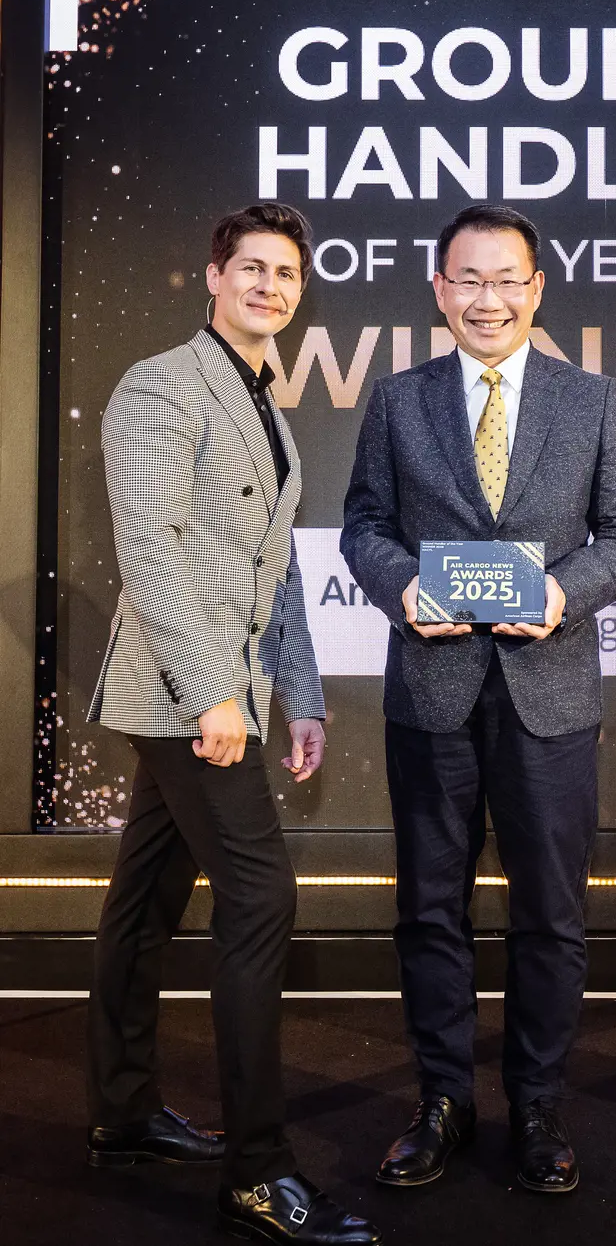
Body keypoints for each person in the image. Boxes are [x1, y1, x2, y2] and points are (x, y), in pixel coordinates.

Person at [341, 203, 616, 1194]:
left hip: (549, 691)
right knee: (430, 909)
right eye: (467, 279)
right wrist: (402, 587)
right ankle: (440, 1098)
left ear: (536, 287)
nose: (488, 297)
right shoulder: (397, 399)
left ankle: (536, 1102)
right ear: (439, 289)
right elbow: (363, 526)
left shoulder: (591, 400)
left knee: (551, 915)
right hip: (430, 694)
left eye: (506, 278)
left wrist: (565, 590)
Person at [85, 203, 380, 1245]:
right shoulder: (165, 383)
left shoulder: (264, 401)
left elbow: (276, 569)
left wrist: (297, 692)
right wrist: (216, 691)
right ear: (212, 275)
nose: (269, 284)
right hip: (183, 693)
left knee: (147, 894)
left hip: (222, 691)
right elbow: (152, 548)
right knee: (260, 896)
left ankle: (120, 1111)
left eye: (285, 272)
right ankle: (259, 1171)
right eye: (250, 266)